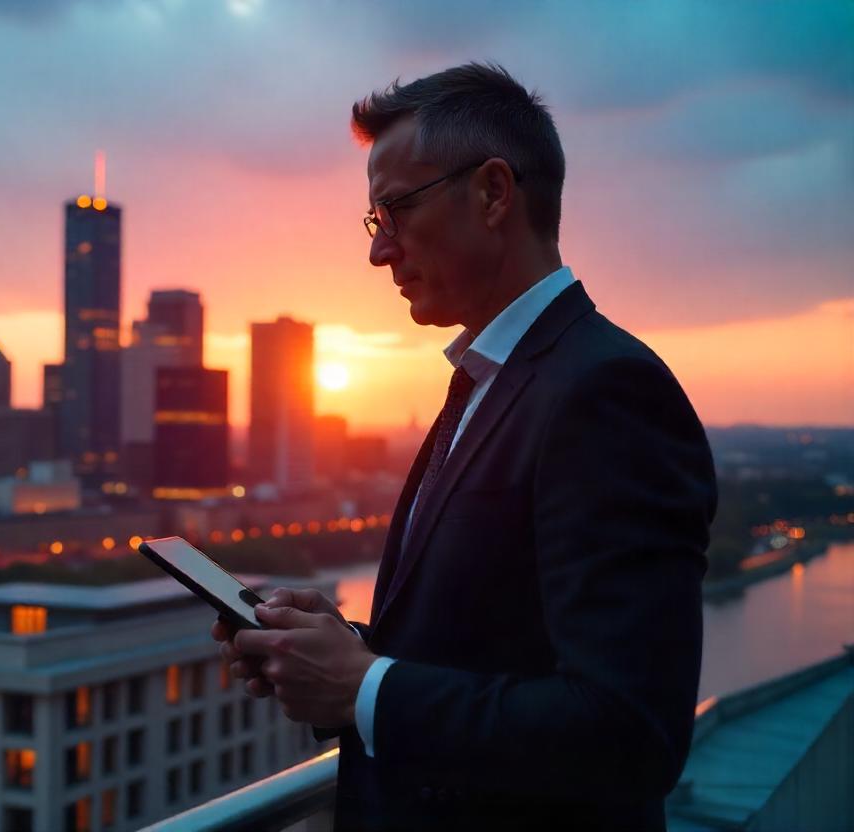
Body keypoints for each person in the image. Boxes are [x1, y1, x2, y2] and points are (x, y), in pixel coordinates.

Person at [212, 62, 717, 831]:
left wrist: (364, 689)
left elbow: (630, 732)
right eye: (373, 223)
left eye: (394, 212)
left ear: (491, 193)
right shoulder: (491, 380)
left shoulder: (605, 392)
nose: (379, 253)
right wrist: (339, 647)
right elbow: (495, 649)